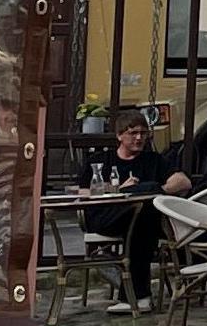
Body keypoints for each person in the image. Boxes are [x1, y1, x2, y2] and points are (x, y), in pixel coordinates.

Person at [82, 113, 191, 315]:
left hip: (141, 220)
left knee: (143, 217)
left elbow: (184, 182)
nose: (139, 138)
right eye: (133, 133)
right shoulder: (101, 161)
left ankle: (137, 297)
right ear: (119, 135)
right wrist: (119, 191)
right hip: (108, 216)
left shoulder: (153, 160)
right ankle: (138, 296)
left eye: (143, 133)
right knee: (144, 212)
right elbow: (78, 191)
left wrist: (154, 190)